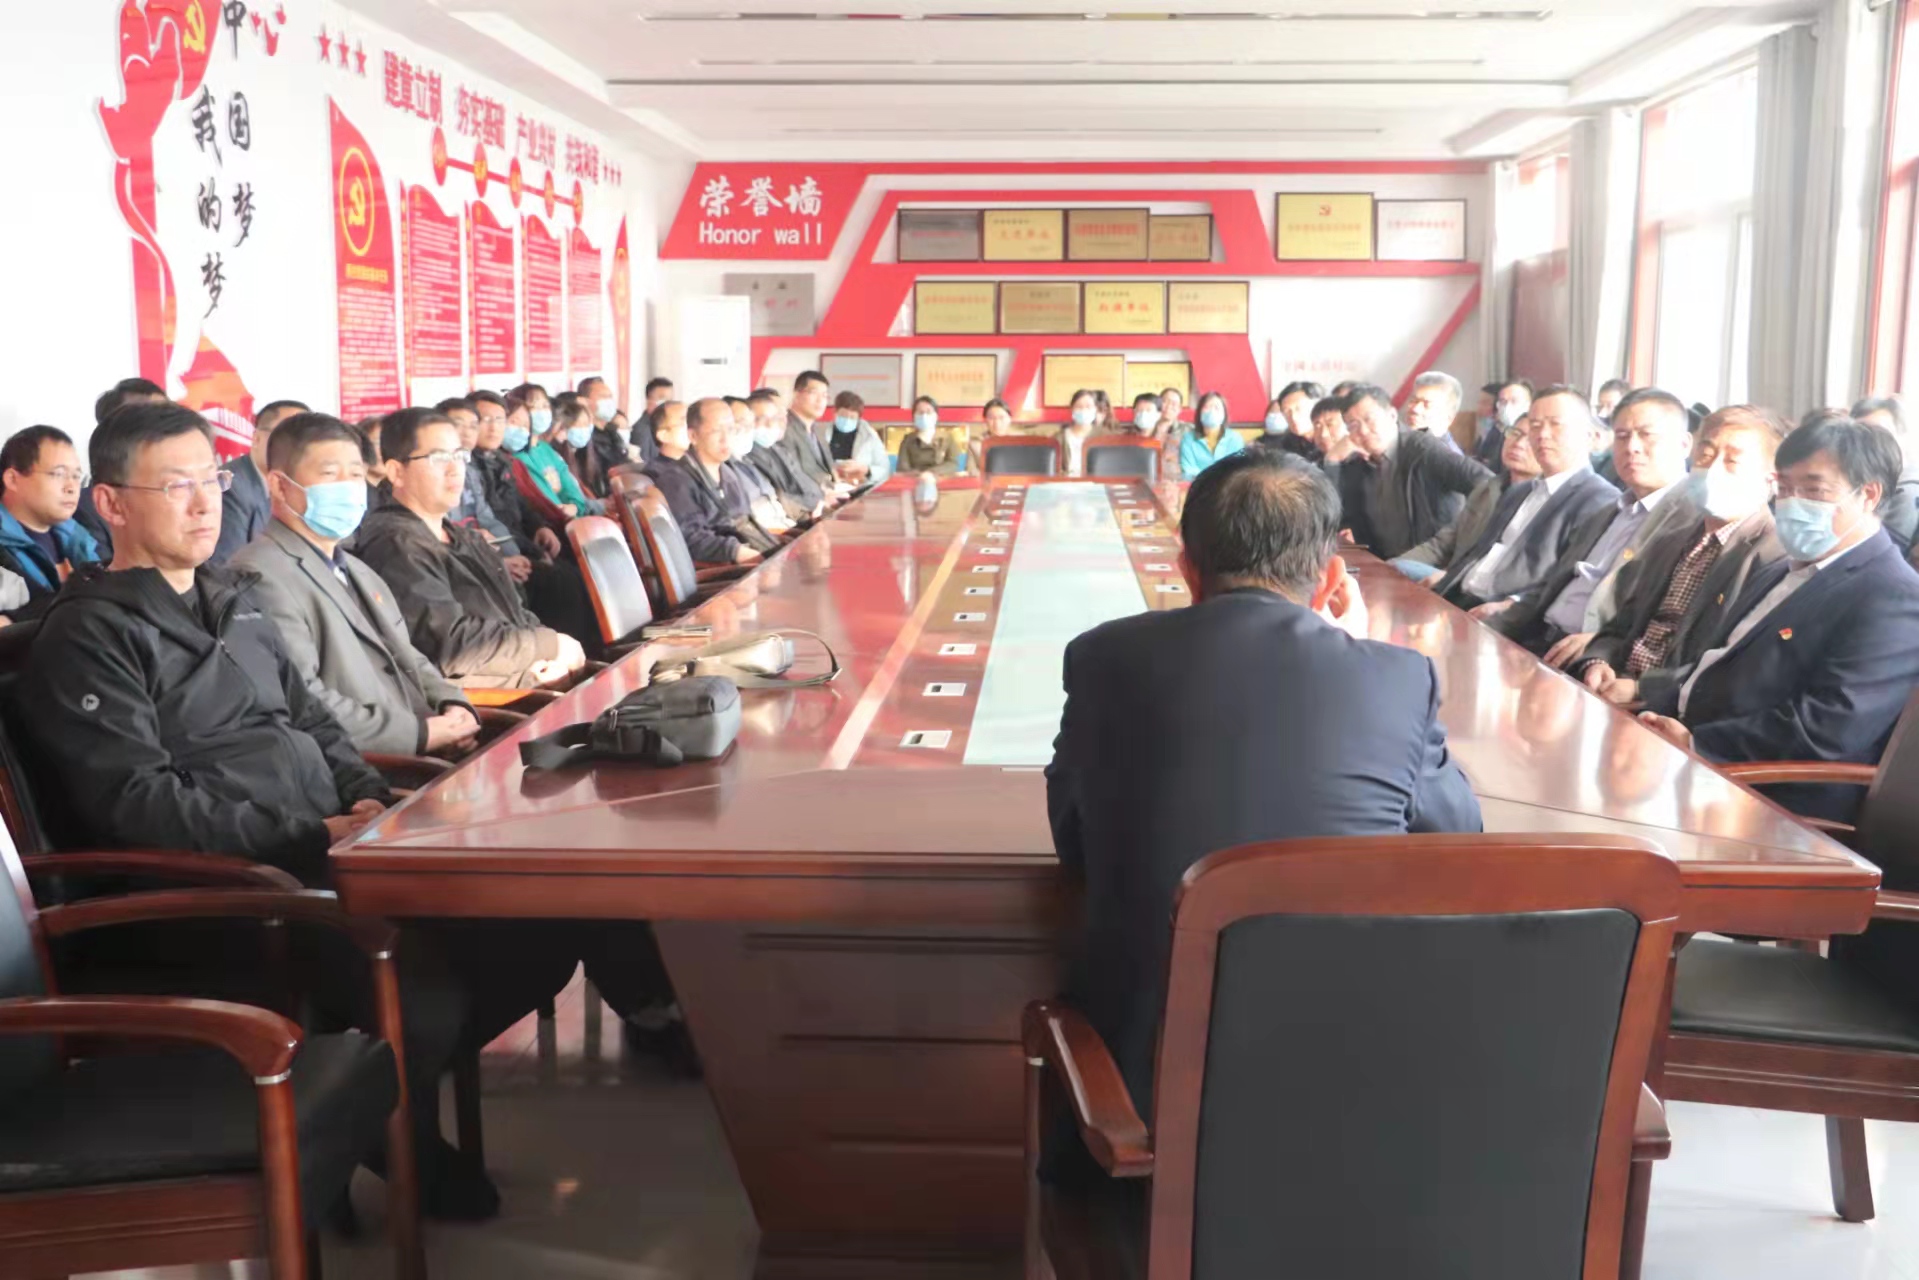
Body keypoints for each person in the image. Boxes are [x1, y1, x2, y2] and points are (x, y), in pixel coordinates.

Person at [16, 400, 521, 1220]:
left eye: (211, 480)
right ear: (110, 503)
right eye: (174, 486)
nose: (203, 504)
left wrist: (363, 794)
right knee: (424, 987)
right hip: (218, 890)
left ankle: (377, 1119)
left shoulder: (234, 598)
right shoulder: (90, 635)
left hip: (317, 850)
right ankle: (387, 1140)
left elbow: (313, 719)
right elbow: (135, 803)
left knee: (506, 927)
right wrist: (305, 834)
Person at [1043, 449, 1479, 1183]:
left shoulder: (1103, 659)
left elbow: (1074, 842)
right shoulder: (1398, 676)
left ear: (1186, 569)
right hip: (1361, 1106)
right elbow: (1457, 836)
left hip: (1138, 1116)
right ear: (1331, 579)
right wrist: (1358, 648)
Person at [1638, 419, 1919, 822]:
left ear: (1868, 495)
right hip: (1693, 760)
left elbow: (1826, 729)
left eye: (1813, 490)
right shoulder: (1780, 570)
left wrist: (1698, 743)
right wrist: (1651, 702)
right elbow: (1723, 664)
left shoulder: (1894, 595)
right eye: (1784, 488)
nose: (1791, 503)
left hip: (1771, 797)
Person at [231, 413, 480, 758]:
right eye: (330, 475)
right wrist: (419, 734)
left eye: (356, 475)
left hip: (427, 741)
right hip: (376, 766)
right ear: (279, 485)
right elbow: (301, 697)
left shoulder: (357, 569)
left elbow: (407, 655)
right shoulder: (259, 574)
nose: (348, 488)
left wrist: (452, 704)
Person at [351, 408, 587, 689]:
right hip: (489, 698)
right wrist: (548, 646)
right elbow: (452, 645)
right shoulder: (396, 543)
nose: (454, 469)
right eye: (439, 458)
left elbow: (516, 612)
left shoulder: (463, 537)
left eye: (459, 456)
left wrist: (551, 649)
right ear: (396, 472)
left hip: (522, 671)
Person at [1571, 408, 1787, 708]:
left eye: (1732, 461)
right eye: (1706, 456)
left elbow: (1734, 663)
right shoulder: (1671, 539)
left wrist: (1641, 689)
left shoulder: (1774, 558)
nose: (1712, 470)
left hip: (1669, 708)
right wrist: (1598, 661)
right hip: (1610, 690)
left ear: (1771, 480)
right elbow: (1620, 624)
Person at [1489, 388, 1704, 658]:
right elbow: (1551, 586)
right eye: (1622, 436)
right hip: (1537, 638)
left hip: (1594, 657)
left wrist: (1602, 645)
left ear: (1684, 444)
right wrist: (1494, 625)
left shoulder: (1694, 522)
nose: (1632, 447)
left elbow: (1669, 620)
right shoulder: (1609, 511)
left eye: (1646, 435)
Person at [1433, 386, 1617, 609]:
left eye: (1555, 424)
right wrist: (1443, 584)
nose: (1542, 434)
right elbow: (1477, 555)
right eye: (1535, 425)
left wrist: (1510, 606)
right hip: (1458, 598)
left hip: (1503, 616)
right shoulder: (1518, 492)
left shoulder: (1600, 500)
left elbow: (1567, 582)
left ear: (1588, 436)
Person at [1327, 383, 1488, 560]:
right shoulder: (1356, 462)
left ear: (1392, 415)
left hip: (1432, 563)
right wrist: (1331, 462)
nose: (1363, 431)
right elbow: (1331, 515)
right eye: (1353, 425)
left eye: (1369, 419)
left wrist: (1457, 536)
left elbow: (1487, 482)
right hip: (1384, 564)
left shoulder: (1423, 449)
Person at [1390, 419, 1540, 583]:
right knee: (1392, 568)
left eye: (1530, 439)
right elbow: (1441, 545)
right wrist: (1389, 566)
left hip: (1483, 587)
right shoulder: (1487, 489)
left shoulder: (1542, 505)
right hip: (1452, 579)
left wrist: (1451, 578)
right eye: (1515, 433)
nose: (1518, 444)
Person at [652, 398, 771, 566]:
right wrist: (736, 551)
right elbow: (691, 537)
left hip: (755, 554)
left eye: (730, 429)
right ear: (693, 436)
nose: (726, 438)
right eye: (716, 431)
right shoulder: (676, 480)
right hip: (730, 569)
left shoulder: (728, 472)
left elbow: (746, 522)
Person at [0, 425, 102, 621]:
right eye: (58, 474)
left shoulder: (77, 537)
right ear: (12, 479)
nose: (72, 487)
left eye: (76, 476)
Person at [211, 398, 307, 564]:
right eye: (288, 437)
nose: (299, 446)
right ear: (256, 439)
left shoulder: (303, 486)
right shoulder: (229, 487)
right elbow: (227, 566)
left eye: (306, 439)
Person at [441, 395, 527, 564]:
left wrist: (513, 556)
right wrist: (500, 563)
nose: (467, 432)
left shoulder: (472, 472)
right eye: (458, 424)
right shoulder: (431, 475)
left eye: (473, 426)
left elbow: (488, 520)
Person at [506, 392, 603, 521]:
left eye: (524, 425)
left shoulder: (547, 450)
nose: (564, 435)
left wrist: (574, 506)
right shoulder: (518, 459)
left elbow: (572, 490)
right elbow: (542, 501)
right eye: (513, 422)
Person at [1851, 394, 1919, 551]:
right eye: (1860, 435)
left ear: (1902, 436)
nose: (1870, 442)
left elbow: (1881, 553)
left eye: (1881, 433)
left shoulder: (1908, 490)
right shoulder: (1866, 477)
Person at [744, 389, 825, 513]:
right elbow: (780, 496)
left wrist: (821, 499)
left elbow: (803, 483)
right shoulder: (749, 454)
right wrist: (816, 504)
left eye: (775, 418)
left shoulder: (777, 449)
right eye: (762, 419)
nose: (771, 424)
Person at [782, 370, 840, 491]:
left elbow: (826, 468)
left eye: (824, 396)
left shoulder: (818, 430)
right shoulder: (784, 428)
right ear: (796, 395)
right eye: (814, 393)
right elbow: (791, 473)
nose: (820, 400)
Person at [820, 391, 890, 485]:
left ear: (859, 418)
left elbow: (884, 469)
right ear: (835, 412)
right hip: (827, 486)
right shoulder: (821, 433)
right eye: (843, 416)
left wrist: (865, 470)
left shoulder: (869, 436)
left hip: (861, 487)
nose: (847, 420)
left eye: (852, 417)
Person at [1178, 391, 1245, 476]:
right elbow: (1188, 470)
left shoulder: (1235, 439)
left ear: (1224, 414)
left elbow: (1238, 469)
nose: (1211, 411)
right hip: (1197, 484)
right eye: (1207, 407)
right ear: (1199, 412)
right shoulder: (1188, 439)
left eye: (1216, 408)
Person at [1402, 371, 1464, 455]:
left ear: (1447, 418)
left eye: (1427, 404)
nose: (1415, 409)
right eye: (1413, 401)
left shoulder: (1448, 459)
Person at [898, 397, 960, 475]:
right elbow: (903, 468)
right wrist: (919, 475)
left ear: (936, 416)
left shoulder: (947, 438)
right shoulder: (908, 440)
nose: (924, 416)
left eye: (928, 412)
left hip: (941, 479)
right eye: (920, 412)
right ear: (914, 417)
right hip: (916, 480)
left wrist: (931, 473)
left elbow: (953, 464)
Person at [1059, 389, 1103, 477]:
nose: (1083, 410)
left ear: (1095, 409)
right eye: (1079, 407)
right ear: (1072, 409)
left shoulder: (1105, 436)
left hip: (1096, 482)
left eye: (1088, 406)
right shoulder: (1059, 438)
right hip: (1066, 483)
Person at [643, 400, 690, 481]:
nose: (694, 428)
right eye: (685, 422)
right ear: (664, 436)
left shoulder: (696, 465)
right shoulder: (657, 473)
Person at [1313, 393, 1356, 465]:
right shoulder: (1312, 461)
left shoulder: (1363, 460)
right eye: (1317, 427)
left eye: (1330, 425)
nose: (1323, 434)